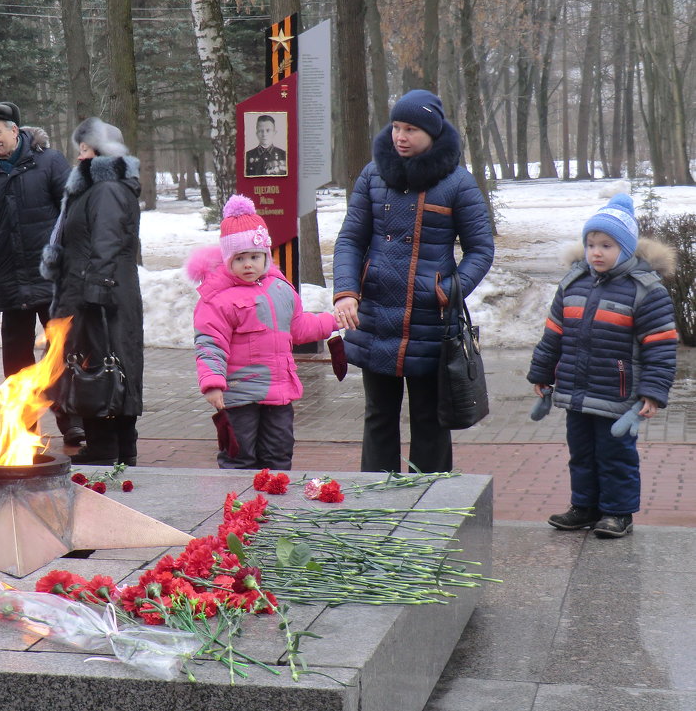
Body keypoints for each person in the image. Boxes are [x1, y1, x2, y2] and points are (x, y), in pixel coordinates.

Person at [333, 89, 494, 474]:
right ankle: (375, 501)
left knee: (430, 420)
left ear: (433, 134)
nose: (400, 136)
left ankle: (430, 500)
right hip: (374, 318)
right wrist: (345, 292)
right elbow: (350, 239)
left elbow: (481, 250)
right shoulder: (373, 175)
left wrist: (448, 290)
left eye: (411, 129)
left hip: (430, 323)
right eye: (396, 127)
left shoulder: (458, 183)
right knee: (379, 417)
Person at [528, 194, 677, 538]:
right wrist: (542, 373)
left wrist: (652, 393)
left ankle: (617, 512)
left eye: (606, 245)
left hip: (617, 392)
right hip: (576, 390)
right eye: (591, 243)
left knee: (615, 456)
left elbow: (661, 346)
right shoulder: (573, 283)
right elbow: (554, 333)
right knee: (581, 453)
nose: (596, 252)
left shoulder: (645, 291)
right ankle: (584, 506)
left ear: (624, 249)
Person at [189, 194, 338, 470]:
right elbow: (210, 344)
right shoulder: (217, 299)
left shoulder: (280, 289)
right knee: (239, 455)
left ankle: (274, 502)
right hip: (239, 394)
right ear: (227, 260)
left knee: (279, 453)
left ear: (266, 256)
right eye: (240, 258)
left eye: (255, 257)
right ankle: (240, 508)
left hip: (278, 392)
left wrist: (331, 321)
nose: (248, 264)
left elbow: (298, 327)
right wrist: (212, 382)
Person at [0, 102, 83, 446]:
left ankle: (71, 419)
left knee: (60, 352)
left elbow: (72, 212)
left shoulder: (50, 162)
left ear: (15, 131)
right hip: (10, 281)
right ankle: (24, 428)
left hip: (50, 279)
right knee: (15, 361)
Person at [41, 117, 142, 465]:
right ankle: (118, 448)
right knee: (109, 369)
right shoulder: (96, 188)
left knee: (102, 369)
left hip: (101, 297)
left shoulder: (106, 189)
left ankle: (105, 449)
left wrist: (95, 291)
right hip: (96, 292)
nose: (79, 156)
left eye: (83, 149)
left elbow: (107, 241)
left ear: (98, 150)